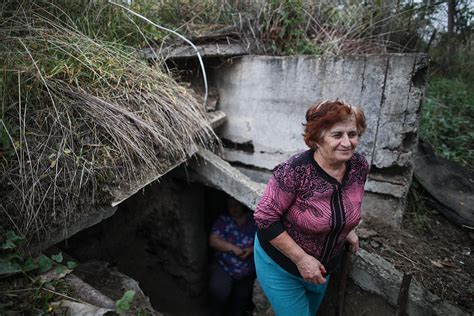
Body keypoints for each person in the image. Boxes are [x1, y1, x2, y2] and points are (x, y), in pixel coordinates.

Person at [253, 99, 369, 316]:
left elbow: (344, 203)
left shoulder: (359, 166)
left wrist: (346, 229)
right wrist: (302, 259)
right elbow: (265, 219)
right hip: (281, 266)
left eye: (352, 134)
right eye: (337, 135)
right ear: (317, 139)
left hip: (323, 269)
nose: (347, 142)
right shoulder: (294, 171)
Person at [208, 198, 257, 316]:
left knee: (242, 301)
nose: (233, 208)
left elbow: (265, 241)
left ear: (243, 205)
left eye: (236, 205)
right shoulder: (224, 221)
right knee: (218, 294)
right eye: (230, 206)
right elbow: (213, 240)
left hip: (247, 270)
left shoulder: (253, 220)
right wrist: (233, 248)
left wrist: (250, 250)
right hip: (225, 267)